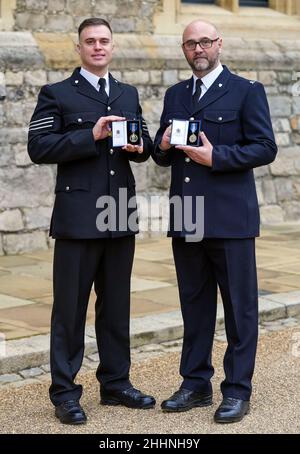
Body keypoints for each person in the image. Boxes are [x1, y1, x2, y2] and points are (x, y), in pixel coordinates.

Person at [28, 17, 155, 425]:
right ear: (79, 48)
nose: (98, 47)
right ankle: (65, 393)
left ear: (112, 47)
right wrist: (91, 136)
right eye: (90, 41)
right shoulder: (57, 93)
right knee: (70, 310)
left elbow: (145, 144)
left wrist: (139, 147)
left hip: (120, 213)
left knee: (116, 306)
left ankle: (116, 383)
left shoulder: (127, 93)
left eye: (104, 41)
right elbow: (39, 146)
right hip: (78, 217)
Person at [152, 20, 277, 423]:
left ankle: (237, 390)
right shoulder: (175, 95)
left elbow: (265, 147)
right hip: (187, 217)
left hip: (230, 219)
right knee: (195, 306)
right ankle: (195, 384)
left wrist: (217, 158)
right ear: (184, 49)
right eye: (190, 44)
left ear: (218, 44)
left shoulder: (246, 91)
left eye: (204, 41)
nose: (198, 49)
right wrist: (164, 144)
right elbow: (161, 153)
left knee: (240, 309)